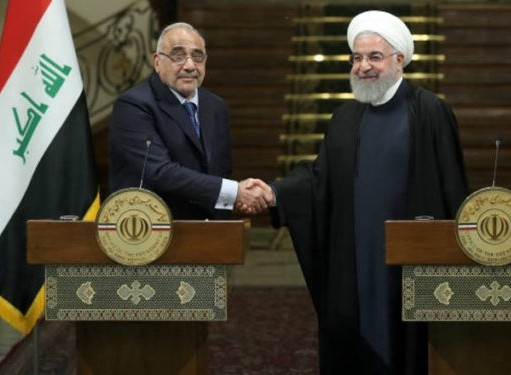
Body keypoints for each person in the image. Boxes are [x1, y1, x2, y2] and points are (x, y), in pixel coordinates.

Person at [246, 10, 469, 374]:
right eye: (357, 57)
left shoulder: (429, 111)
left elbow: (452, 189)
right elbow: (318, 179)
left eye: (374, 57)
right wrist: (275, 193)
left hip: (410, 263)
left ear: (400, 60)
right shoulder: (345, 118)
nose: (364, 66)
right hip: (353, 261)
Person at [109, 22, 267, 219]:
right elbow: (160, 173)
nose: (190, 66)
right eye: (178, 56)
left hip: (210, 232)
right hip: (151, 231)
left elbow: (220, 172)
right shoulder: (133, 105)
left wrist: (233, 201)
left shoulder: (216, 106)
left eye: (197, 56)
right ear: (157, 61)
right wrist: (234, 192)